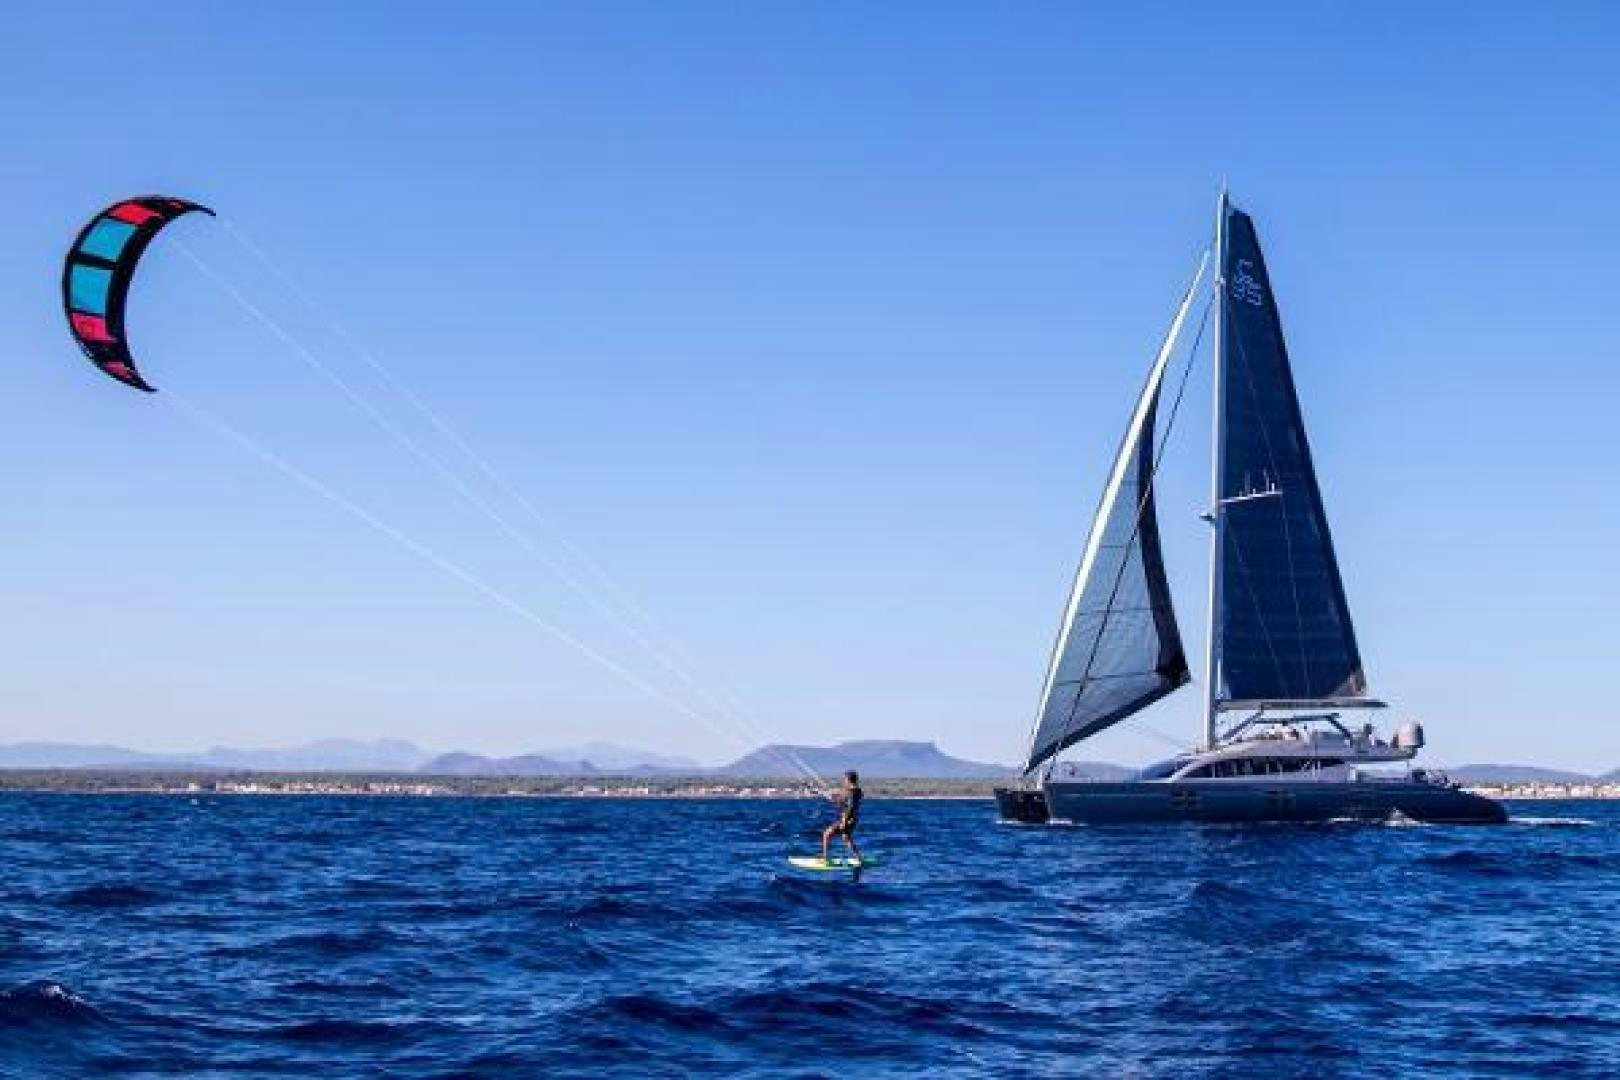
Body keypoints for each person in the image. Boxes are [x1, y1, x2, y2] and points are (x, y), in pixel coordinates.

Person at [821, 770, 864, 864]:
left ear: (849, 780)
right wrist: (834, 799)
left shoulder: (851, 792)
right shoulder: (858, 791)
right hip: (853, 819)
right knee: (846, 838)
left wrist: (844, 821)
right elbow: (844, 803)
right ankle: (858, 858)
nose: (844, 781)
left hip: (847, 819)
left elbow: (850, 806)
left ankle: (825, 859)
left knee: (826, 834)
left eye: (845, 779)